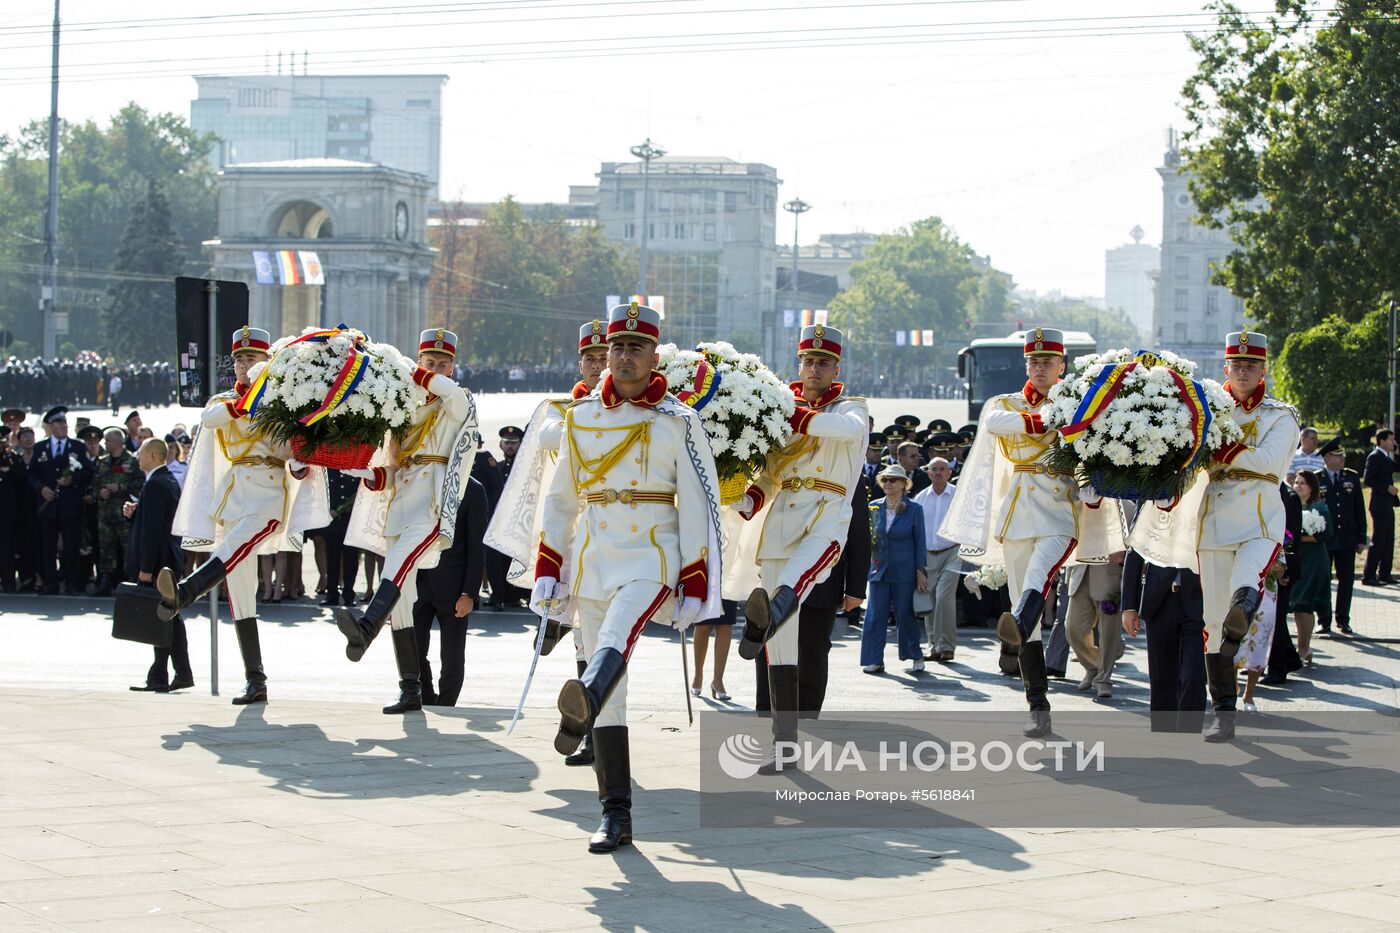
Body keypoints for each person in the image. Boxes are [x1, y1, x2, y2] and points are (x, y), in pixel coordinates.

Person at [532, 301, 722, 852]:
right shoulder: (581, 416)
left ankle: (582, 699)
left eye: (635, 348)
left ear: (654, 356)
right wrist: (550, 563)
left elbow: (698, 503)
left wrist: (696, 576)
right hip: (595, 558)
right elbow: (562, 497)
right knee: (611, 689)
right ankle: (616, 813)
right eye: (616, 347)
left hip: (652, 555)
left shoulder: (678, 420)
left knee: (616, 638)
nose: (623, 357)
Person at [942, 327, 1119, 739]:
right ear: (1026, 365)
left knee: (1035, 584)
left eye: (1048, 362)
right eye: (1033, 362)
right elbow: (997, 424)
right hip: (1018, 515)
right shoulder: (1004, 404)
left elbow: (1090, 454)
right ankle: (1037, 704)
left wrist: (1094, 485)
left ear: (1062, 366)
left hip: (1060, 512)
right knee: (1032, 621)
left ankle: (1018, 619)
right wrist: (1052, 418)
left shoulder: (1080, 406)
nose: (1039, 368)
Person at [163, 326, 328, 706]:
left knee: (236, 551)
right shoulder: (226, 401)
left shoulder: (283, 401)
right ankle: (255, 679)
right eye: (238, 358)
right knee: (240, 591)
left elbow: (293, 451)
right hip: (235, 496)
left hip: (269, 493)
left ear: (266, 363)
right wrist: (244, 399)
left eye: (251, 358)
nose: (243, 364)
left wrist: (302, 465)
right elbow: (210, 419)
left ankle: (187, 590)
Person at [735, 323, 867, 770]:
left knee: (795, 584)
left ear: (836, 368)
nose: (814, 369)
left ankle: (766, 616)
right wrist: (749, 497)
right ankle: (783, 746)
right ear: (799, 365)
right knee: (781, 645)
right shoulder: (782, 415)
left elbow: (845, 432)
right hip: (783, 519)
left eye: (822, 363)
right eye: (807, 362)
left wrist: (790, 415)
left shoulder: (853, 409)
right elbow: (772, 471)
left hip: (827, 514)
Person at [338, 327, 480, 716]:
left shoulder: (458, 401)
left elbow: (447, 393)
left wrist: (406, 370)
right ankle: (410, 687)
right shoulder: (406, 407)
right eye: (428, 362)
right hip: (402, 506)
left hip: (433, 506)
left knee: (397, 567)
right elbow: (394, 467)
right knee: (402, 604)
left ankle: (366, 626)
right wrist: (367, 475)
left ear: (453, 367)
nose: (435, 369)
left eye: (442, 363)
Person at [1195, 331, 1298, 742]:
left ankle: (1243, 615)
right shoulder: (1203, 411)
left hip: (1259, 519)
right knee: (1213, 621)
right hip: (1216, 521)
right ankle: (1224, 708)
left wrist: (1220, 449)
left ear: (1262, 370)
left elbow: (1270, 464)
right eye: (1236, 365)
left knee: (1247, 579)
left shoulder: (1279, 415)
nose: (1242, 371)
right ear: (1225, 367)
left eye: (1250, 365)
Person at [754, 483, 869, 718]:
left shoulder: (846, 466)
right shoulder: (786, 461)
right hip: (777, 569)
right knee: (769, 644)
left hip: (822, 576)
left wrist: (856, 587)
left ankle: (807, 713)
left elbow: (857, 529)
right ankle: (768, 708)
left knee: (813, 649)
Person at [413, 474, 489, 706]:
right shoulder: (421, 479)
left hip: (454, 587)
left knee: (452, 656)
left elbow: (477, 546)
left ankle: (446, 704)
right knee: (413, 648)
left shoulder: (473, 489)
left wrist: (469, 593)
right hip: (418, 582)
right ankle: (425, 697)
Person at [125, 438, 192, 693]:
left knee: (168, 618)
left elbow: (153, 532)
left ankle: (176, 673)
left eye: (141, 453)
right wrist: (138, 509)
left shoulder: (155, 483)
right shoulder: (165, 479)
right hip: (168, 558)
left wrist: (145, 568)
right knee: (165, 618)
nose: (137, 457)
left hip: (159, 562)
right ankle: (161, 675)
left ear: (152, 455)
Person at [1121, 547, 1206, 733]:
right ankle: (1163, 734)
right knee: (1162, 676)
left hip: (1200, 599)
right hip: (1159, 599)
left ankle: (1189, 734)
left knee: (1194, 674)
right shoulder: (1149, 515)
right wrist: (1129, 606)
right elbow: (1135, 550)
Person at [859, 464, 928, 674]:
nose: (888, 483)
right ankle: (874, 660)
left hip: (905, 569)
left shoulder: (914, 508)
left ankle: (915, 655)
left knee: (905, 614)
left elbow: (920, 541)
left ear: (903, 485)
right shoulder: (873, 506)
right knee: (875, 615)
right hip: (878, 570)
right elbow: (866, 541)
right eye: (885, 480)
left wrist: (920, 570)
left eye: (893, 480)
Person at [28, 406, 94, 594]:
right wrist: (41, 489)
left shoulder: (78, 446)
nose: (64, 426)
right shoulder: (40, 447)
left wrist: (73, 479)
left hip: (70, 505)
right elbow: (31, 474)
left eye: (65, 422)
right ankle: (51, 582)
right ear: (50, 426)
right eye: (59, 423)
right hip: (48, 506)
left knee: (71, 546)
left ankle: (71, 583)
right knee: (48, 547)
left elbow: (89, 472)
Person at [912, 457, 960, 662]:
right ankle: (934, 646)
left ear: (949, 472)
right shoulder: (921, 498)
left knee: (944, 597)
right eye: (934, 469)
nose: (938, 473)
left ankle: (947, 646)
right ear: (928, 473)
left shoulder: (958, 495)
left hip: (953, 552)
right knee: (929, 598)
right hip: (927, 554)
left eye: (943, 469)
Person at [1317, 438, 1365, 635]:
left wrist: (1362, 537)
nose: (1342, 458)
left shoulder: (1351, 478)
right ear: (1327, 458)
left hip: (1347, 538)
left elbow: (1359, 509)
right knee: (1323, 580)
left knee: (1346, 580)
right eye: (1338, 456)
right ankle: (1324, 620)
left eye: (1342, 455)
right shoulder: (1317, 478)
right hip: (1325, 539)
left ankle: (1343, 620)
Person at [1064, 558, 1126, 699]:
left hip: (1110, 572)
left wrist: (1123, 552)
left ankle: (1103, 679)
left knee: (1109, 633)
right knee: (1072, 628)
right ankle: (1093, 666)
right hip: (1080, 571)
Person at [92, 427, 143, 596]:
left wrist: (119, 488)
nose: (105, 444)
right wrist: (100, 493)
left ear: (117, 442)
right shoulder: (102, 461)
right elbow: (94, 485)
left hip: (124, 514)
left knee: (128, 548)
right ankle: (106, 581)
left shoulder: (132, 461)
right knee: (106, 549)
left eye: (107, 440)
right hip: (105, 514)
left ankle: (131, 582)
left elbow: (140, 485)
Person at [1290, 469, 1333, 667]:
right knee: (1294, 603)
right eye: (1296, 482)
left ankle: (1303, 648)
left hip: (1313, 560)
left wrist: (1296, 537)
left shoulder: (1319, 507)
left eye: (1302, 483)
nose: (1298, 486)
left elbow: (1324, 535)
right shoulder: (1291, 503)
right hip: (1296, 557)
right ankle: (1298, 649)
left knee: (1303, 603)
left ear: (1312, 487)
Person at [484, 425, 530, 609]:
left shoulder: (524, 469)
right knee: (496, 559)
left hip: (519, 523)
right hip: (501, 523)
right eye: (507, 443)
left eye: (514, 443)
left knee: (516, 558)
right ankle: (499, 593)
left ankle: (519, 593)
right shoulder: (497, 468)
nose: (510, 446)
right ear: (501, 445)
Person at [1362, 429, 1397, 587]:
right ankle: (1369, 575)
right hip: (1379, 504)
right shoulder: (1375, 457)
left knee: (1388, 539)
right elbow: (1368, 479)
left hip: (1388, 504)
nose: (1393, 442)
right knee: (1379, 539)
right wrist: (1386, 487)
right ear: (1382, 441)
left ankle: (1385, 573)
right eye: (1391, 440)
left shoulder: (1385, 457)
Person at [0, 425, 25, 592]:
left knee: (6, 549)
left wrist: (9, 455)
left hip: (7, 512)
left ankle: (8, 581)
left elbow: (20, 477)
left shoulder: (12, 457)